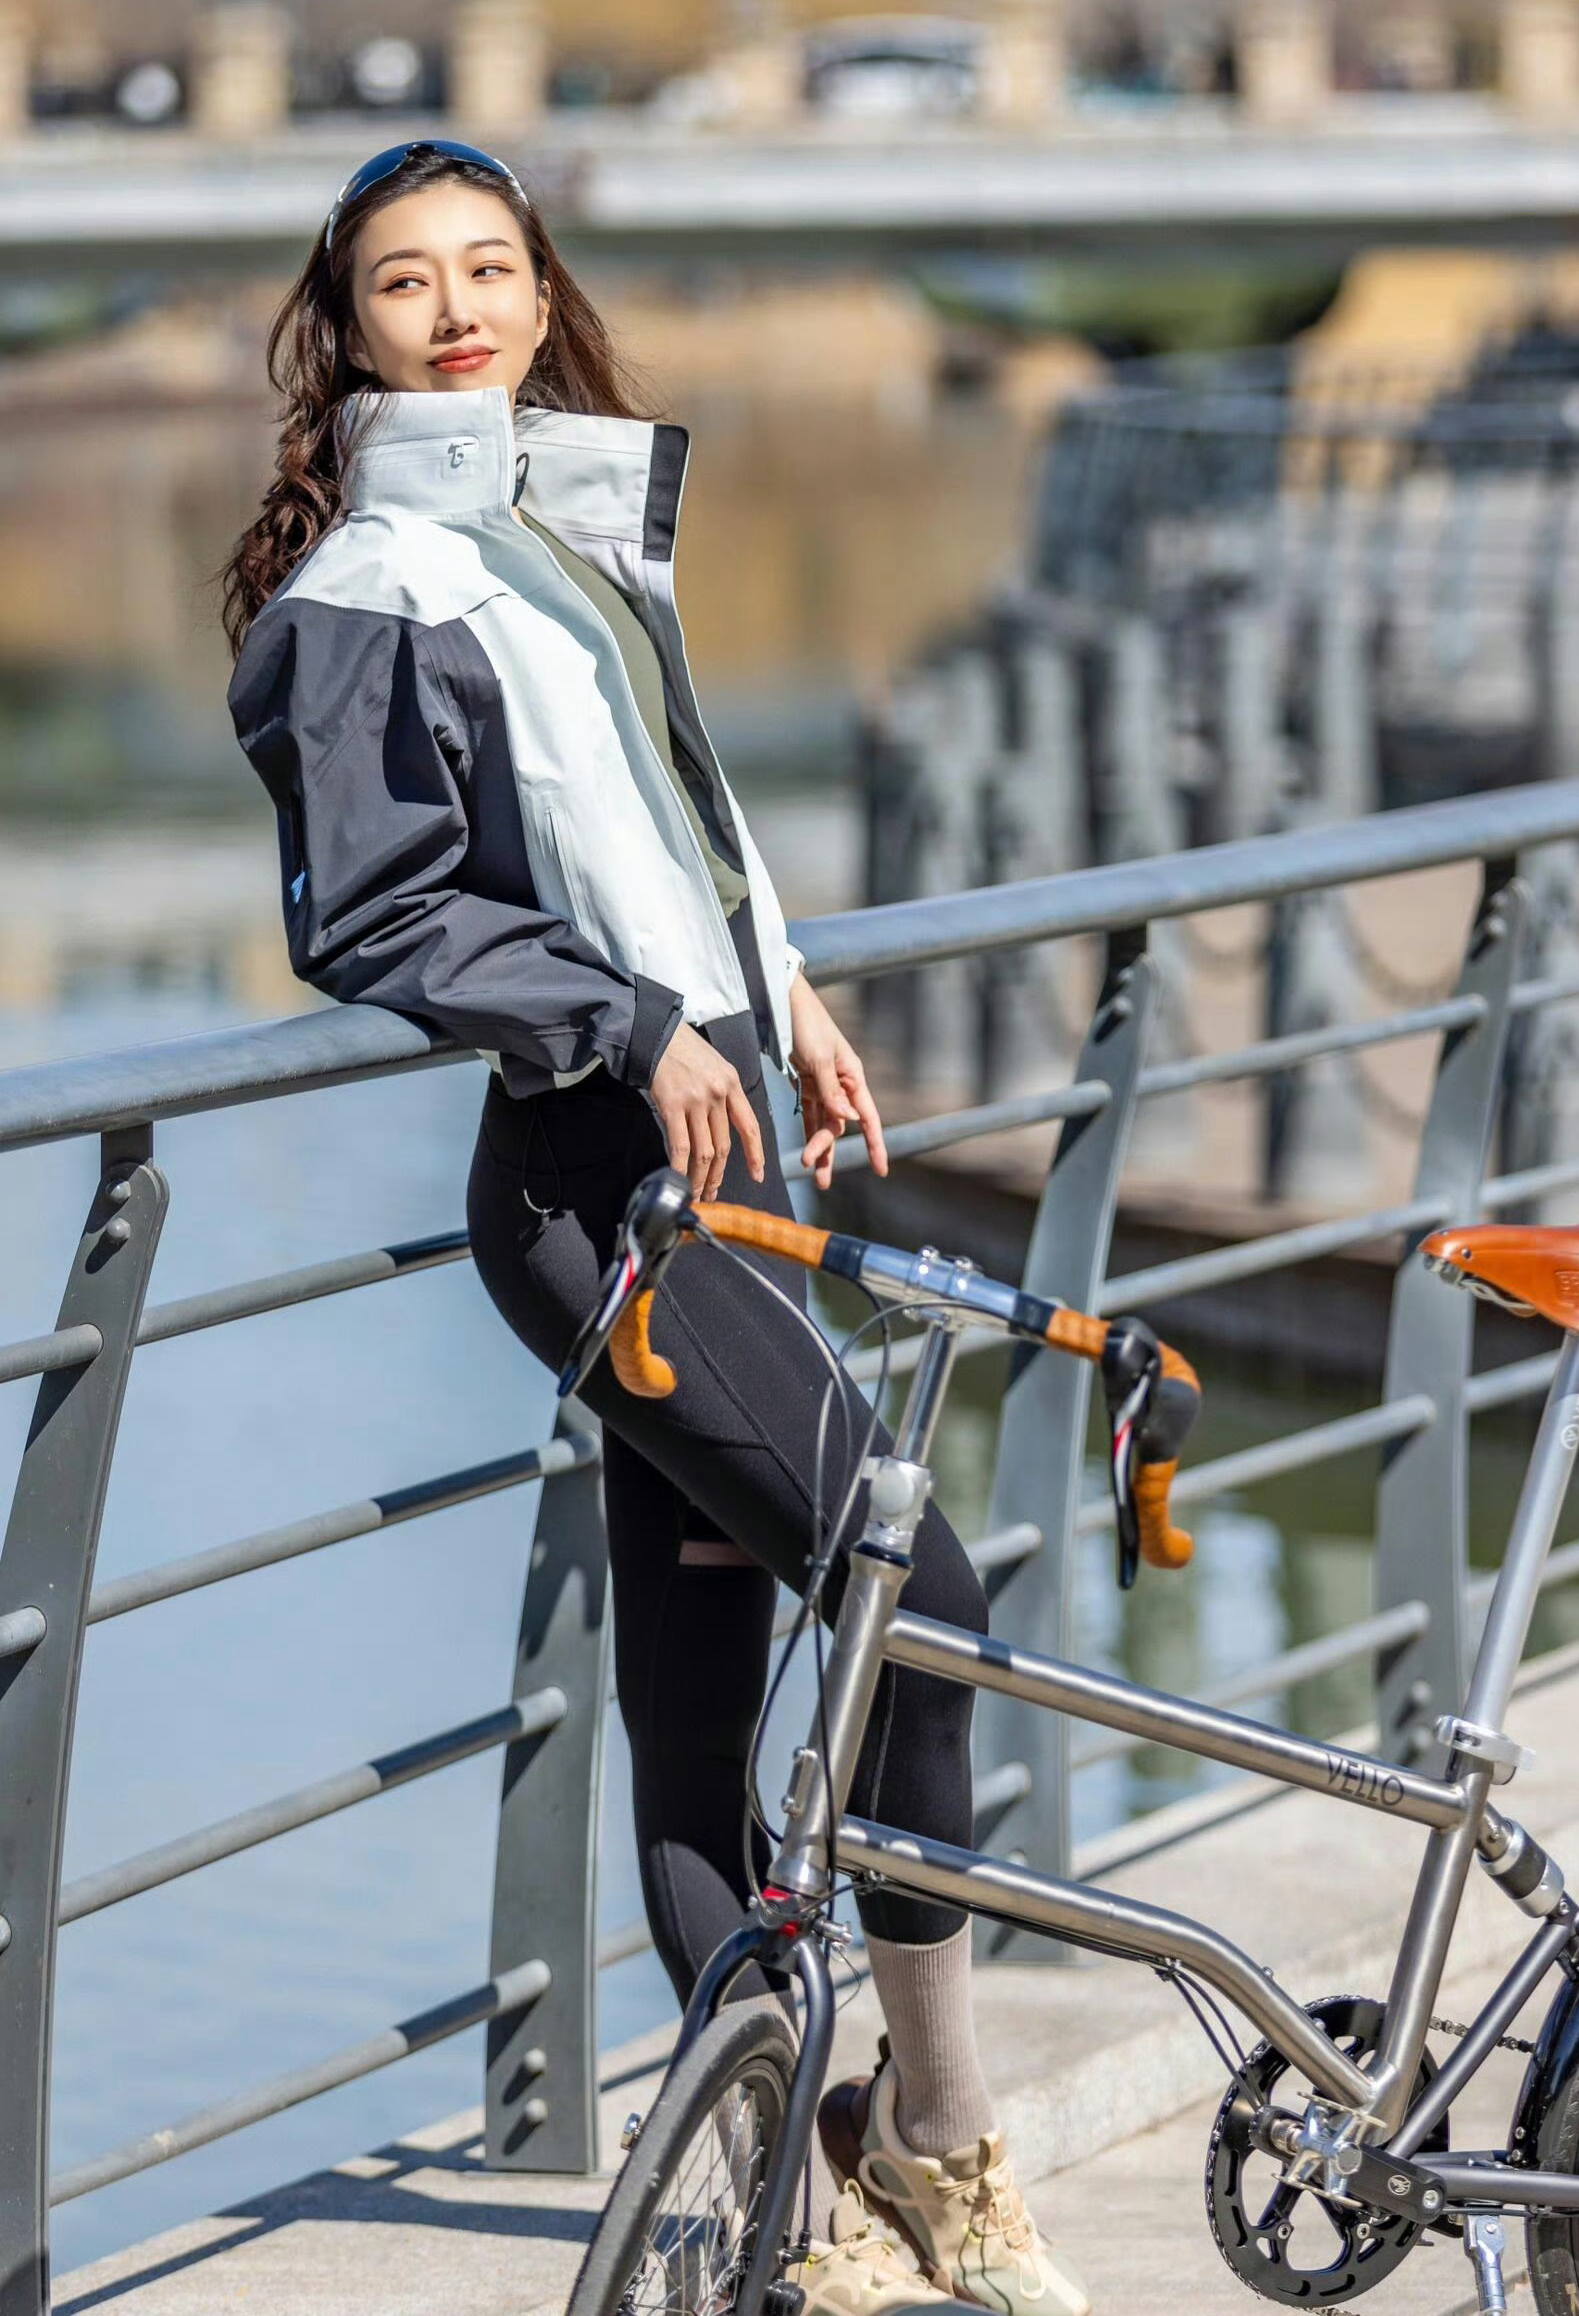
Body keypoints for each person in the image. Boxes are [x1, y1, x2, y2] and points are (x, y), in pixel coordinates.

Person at [220, 139, 1089, 2316]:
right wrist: (629, 1022)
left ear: (538, 284)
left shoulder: (555, 525)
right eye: (405, 283)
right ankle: (936, 2134)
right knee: (930, 1583)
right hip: (598, 1189)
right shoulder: (366, 596)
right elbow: (381, 912)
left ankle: (808, 2185)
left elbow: (658, 817)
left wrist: (771, 986)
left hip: (719, 1146)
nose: (457, 311)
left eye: (490, 266)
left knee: (706, 1709)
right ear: (343, 330)